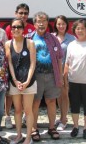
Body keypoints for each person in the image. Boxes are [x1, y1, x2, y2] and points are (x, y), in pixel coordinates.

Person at [30, 11, 63, 142]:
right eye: (39, 21)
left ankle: (51, 127)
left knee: (51, 101)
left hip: (51, 75)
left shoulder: (53, 38)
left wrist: (60, 76)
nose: (41, 24)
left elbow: (60, 57)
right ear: (34, 24)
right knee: (35, 102)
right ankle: (33, 128)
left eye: (44, 21)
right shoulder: (29, 38)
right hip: (35, 76)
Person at [5, 18, 36, 144]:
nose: (16, 29)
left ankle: (28, 138)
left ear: (23, 29)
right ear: (11, 29)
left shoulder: (29, 43)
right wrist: (15, 80)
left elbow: (33, 63)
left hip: (29, 81)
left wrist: (27, 81)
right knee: (17, 110)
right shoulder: (7, 44)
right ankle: (19, 135)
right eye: (14, 27)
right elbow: (10, 63)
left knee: (28, 110)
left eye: (19, 27)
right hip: (15, 82)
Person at [52, 15, 75, 131]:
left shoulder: (72, 38)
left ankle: (64, 119)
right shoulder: (51, 37)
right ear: (55, 25)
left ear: (67, 25)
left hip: (65, 70)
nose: (61, 26)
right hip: (52, 70)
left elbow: (75, 55)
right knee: (57, 95)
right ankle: (60, 117)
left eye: (63, 24)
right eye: (59, 24)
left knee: (64, 94)